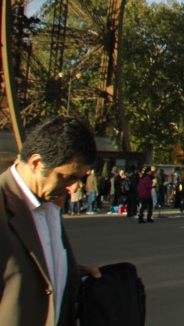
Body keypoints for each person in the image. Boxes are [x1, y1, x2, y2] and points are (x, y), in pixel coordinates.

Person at [0, 116, 102, 326]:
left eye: (79, 179)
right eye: (68, 177)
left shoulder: (48, 204)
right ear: (36, 163)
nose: (73, 187)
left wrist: (70, 270)